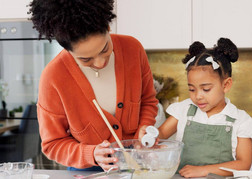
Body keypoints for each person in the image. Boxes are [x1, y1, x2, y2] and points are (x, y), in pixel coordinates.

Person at [28, 0, 158, 171]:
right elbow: (52, 144)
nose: (100, 62)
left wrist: (144, 128)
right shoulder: (53, 77)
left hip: (136, 164)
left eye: (105, 49)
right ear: (67, 50)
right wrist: (91, 154)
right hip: (87, 170)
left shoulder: (132, 49)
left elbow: (148, 101)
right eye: (86, 59)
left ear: (108, 28)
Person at [157, 38, 252, 178]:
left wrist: (203, 170)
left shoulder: (241, 120)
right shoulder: (184, 109)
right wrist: (149, 135)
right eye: (192, 89)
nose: (198, 96)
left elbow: (243, 164)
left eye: (206, 89)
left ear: (226, 85)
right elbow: (160, 135)